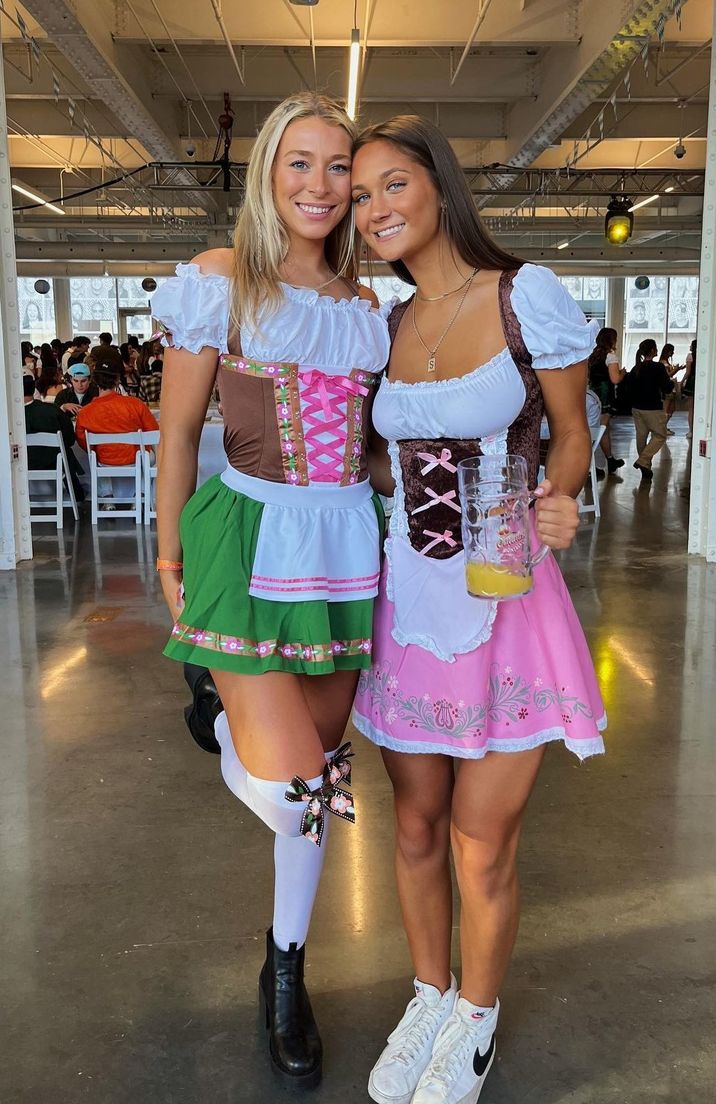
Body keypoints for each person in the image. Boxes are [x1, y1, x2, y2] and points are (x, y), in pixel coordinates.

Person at [349, 116, 606, 1104]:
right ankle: (427, 995)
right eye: (360, 194)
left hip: (504, 598)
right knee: (413, 825)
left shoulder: (521, 297)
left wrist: (562, 495)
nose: (373, 209)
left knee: (480, 837)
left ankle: (476, 1020)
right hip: (405, 596)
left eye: (391, 185)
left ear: (437, 186)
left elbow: (573, 431)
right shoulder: (383, 320)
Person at [150, 92, 391, 1090]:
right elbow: (174, 434)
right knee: (300, 793)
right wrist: (166, 561)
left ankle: (282, 964)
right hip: (247, 538)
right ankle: (223, 723)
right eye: (301, 163)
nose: (322, 186)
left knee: (323, 774)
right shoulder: (220, 283)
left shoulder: (371, 306)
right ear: (266, 173)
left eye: (339, 167)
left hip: (347, 547)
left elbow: (383, 445)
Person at [75, 351, 159, 466]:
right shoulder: (136, 404)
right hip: (136, 460)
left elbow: (84, 443)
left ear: (94, 380)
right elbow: (153, 433)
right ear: (117, 380)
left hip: (104, 461)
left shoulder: (84, 413)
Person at [23, 374, 85, 502]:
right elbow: (69, 439)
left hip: (24, 462)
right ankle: (77, 495)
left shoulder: (10, 416)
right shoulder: (51, 409)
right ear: (34, 389)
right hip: (55, 463)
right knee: (65, 452)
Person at [628, 339, 674, 480]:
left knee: (641, 436)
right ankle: (643, 460)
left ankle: (646, 468)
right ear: (653, 350)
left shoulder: (636, 368)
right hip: (653, 407)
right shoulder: (658, 368)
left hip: (637, 408)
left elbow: (629, 388)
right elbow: (667, 386)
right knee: (660, 435)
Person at [587, 327, 625, 475]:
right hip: (604, 396)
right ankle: (589, 466)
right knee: (598, 431)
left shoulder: (592, 356)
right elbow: (615, 379)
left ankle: (610, 459)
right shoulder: (610, 356)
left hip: (591, 396)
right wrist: (622, 373)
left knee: (602, 429)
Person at [659, 342, 680, 435]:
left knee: (671, 408)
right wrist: (676, 370)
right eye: (672, 351)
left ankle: (664, 427)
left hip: (671, 387)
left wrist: (677, 369)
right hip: (667, 388)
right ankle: (662, 428)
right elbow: (667, 375)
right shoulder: (663, 362)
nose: (673, 353)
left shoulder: (666, 362)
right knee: (666, 408)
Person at [681, 338, 697, 439]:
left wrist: (682, 382)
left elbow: (688, 372)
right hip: (700, 381)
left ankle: (691, 431)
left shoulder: (690, 356)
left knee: (691, 409)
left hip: (691, 382)